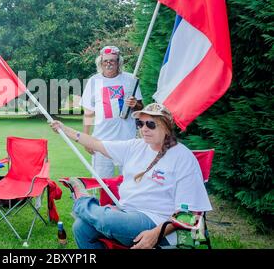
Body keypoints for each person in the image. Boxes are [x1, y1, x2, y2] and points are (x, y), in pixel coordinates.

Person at [50, 103, 212, 249]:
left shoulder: (182, 157)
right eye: (140, 123)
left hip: (158, 221)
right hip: (126, 212)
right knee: (81, 227)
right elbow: (97, 144)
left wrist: (156, 233)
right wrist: (64, 129)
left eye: (151, 124)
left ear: (167, 127)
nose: (144, 129)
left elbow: (190, 212)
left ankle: (81, 202)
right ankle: (88, 207)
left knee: (107, 220)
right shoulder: (135, 146)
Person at [81, 45, 143, 178]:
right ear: (101, 63)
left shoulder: (130, 79)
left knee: (129, 180)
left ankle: (124, 200)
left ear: (118, 62)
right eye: (105, 61)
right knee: (103, 182)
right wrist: (86, 138)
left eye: (112, 61)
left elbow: (140, 108)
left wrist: (134, 104)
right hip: (101, 140)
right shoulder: (94, 81)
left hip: (126, 140)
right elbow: (88, 112)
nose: (109, 64)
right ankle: (106, 200)